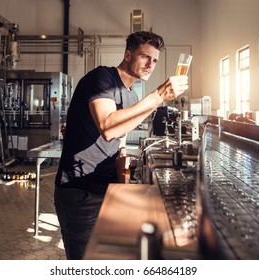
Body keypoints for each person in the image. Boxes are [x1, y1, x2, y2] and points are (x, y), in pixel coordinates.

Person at [54, 31, 189, 259]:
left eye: (155, 60)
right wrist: (159, 95)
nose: (150, 65)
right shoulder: (102, 78)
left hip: (107, 188)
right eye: (145, 57)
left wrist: (124, 165)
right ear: (128, 55)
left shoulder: (132, 96)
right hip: (80, 190)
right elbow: (108, 128)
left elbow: (121, 137)